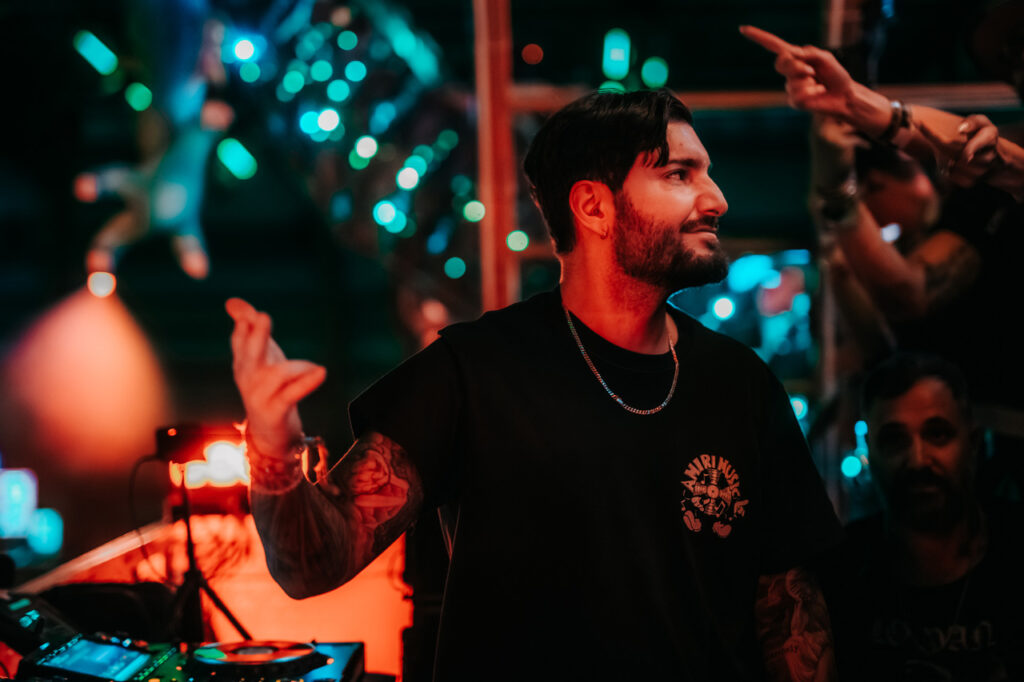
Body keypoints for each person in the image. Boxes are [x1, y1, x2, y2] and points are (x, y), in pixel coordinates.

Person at [227, 88, 843, 681]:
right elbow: (313, 565)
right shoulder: (471, 371)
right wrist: (273, 450)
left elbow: (790, 615)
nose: (716, 199)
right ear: (593, 207)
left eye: (706, 174)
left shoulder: (743, 383)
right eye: (679, 175)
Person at [744, 25, 1024, 496]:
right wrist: (854, 102)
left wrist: (839, 195)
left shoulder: (980, 207)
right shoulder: (956, 212)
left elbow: (906, 293)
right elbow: (883, 349)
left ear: (873, 186)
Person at [821, 353, 1024, 680]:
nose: (917, 460)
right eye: (894, 440)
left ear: (973, 444)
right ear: (870, 452)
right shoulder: (840, 574)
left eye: (938, 434)